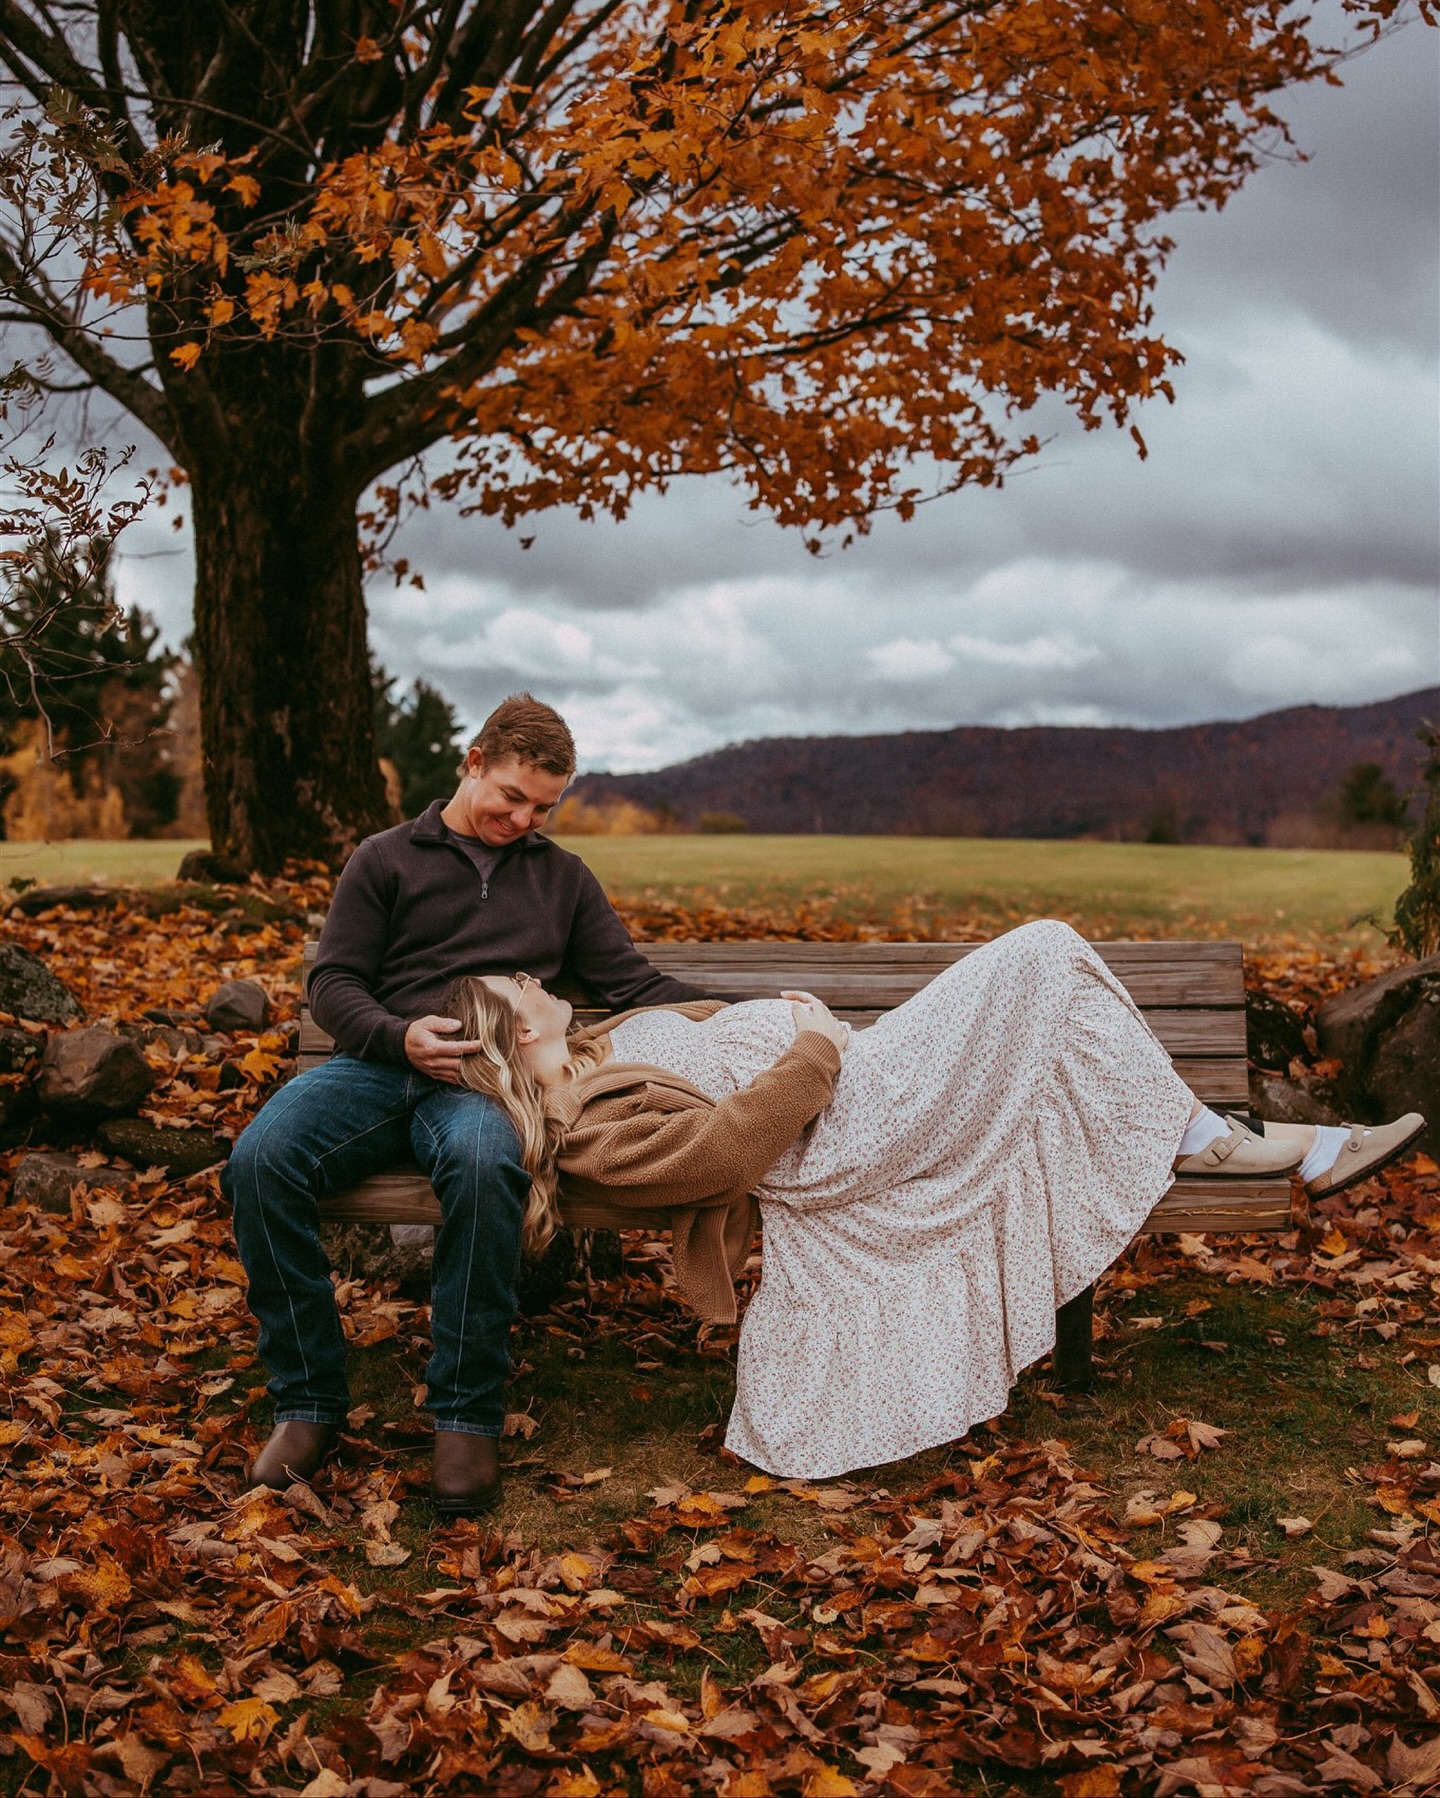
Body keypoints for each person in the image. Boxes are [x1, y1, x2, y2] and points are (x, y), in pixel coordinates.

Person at [442, 921, 1425, 1480]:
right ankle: (1227, 1140)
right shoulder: (587, 1123)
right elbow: (722, 1155)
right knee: (1045, 953)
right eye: (514, 984)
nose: (533, 976)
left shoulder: (603, 1041)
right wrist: (817, 1036)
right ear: (506, 1034)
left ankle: (1226, 1139)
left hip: (857, 1079)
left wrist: (798, 1026)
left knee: (1060, 982)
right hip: (845, 1124)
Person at [223, 693, 711, 1514]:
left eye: (544, 807)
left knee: (488, 1167)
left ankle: (465, 1414)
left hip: (487, 1084)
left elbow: (636, 984)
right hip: (377, 1067)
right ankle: (307, 1402)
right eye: (511, 797)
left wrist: (763, 1011)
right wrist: (394, 1035)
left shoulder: (561, 879)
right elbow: (333, 983)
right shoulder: (384, 859)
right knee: (260, 1162)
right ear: (473, 761)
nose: (523, 818)